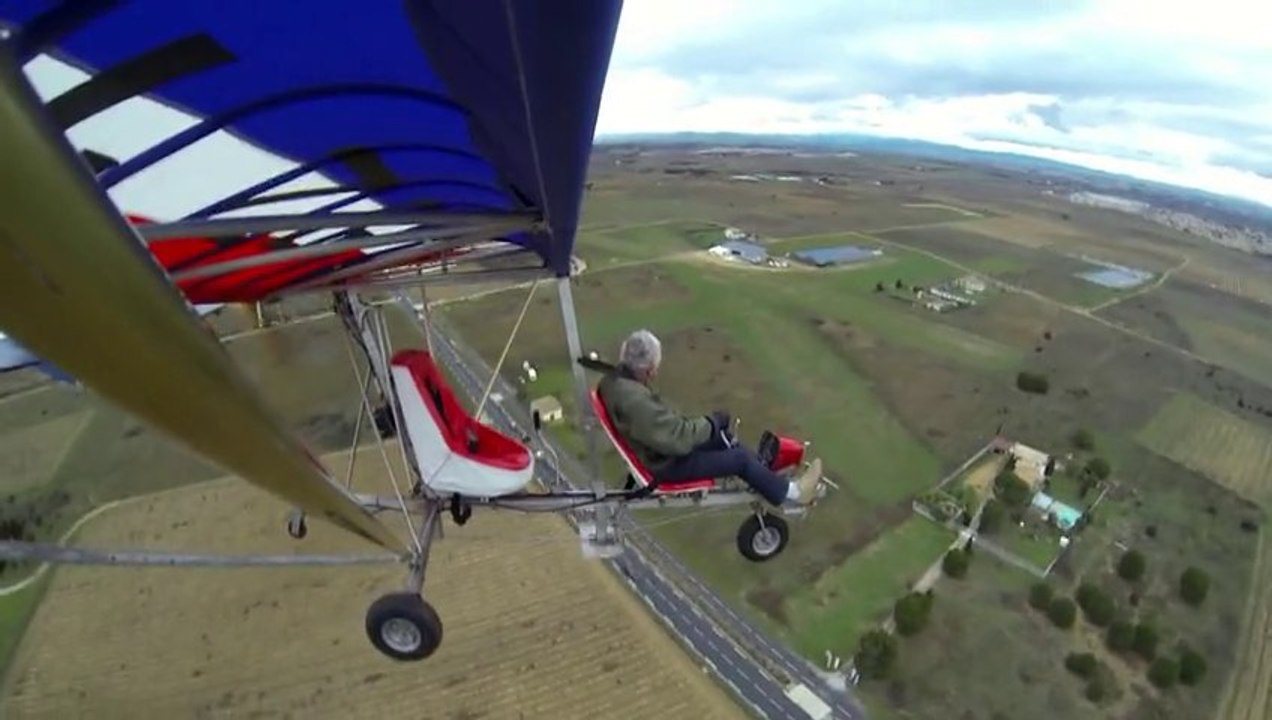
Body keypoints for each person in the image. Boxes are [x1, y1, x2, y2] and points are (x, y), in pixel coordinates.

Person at [597, 329, 823, 506]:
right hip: (665, 465)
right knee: (739, 460)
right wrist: (711, 423)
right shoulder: (636, 401)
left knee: (722, 438)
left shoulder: (615, 383)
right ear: (649, 371)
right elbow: (677, 440)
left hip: (654, 451)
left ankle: (764, 477)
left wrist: (711, 428)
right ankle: (792, 494)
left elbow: (665, 429)